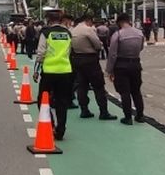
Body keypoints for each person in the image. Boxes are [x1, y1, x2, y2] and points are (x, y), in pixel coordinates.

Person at [34, 8, 75, 140]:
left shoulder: (46, 33)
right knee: (62, 102)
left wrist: (36, 71)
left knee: (42, 100)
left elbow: (40, 53)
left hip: (49, 71)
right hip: (65, 71)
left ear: (48, 20)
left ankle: (50, 123)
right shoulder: (67, 33)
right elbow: (69, 51)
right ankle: (61, 130)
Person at [71, 13, 116, 120]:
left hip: (77, 59)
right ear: (89, 20)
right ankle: (103, 112)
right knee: (98, 86)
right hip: (90, 60)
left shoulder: (73, 30)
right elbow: (97, 44)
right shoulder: (88, 29)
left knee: (82, 86)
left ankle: (84, 110)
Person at [106, 12, 146, 124]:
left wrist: (109, 70)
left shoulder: (118, 35)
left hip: (121, 66)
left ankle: (128, 118)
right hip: (136, 64)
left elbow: (112, 54)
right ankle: (140, 116)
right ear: (129, 21)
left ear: (119, 22)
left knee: (125, 92)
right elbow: (141, 47)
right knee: (136, 91)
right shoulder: (139, 33)